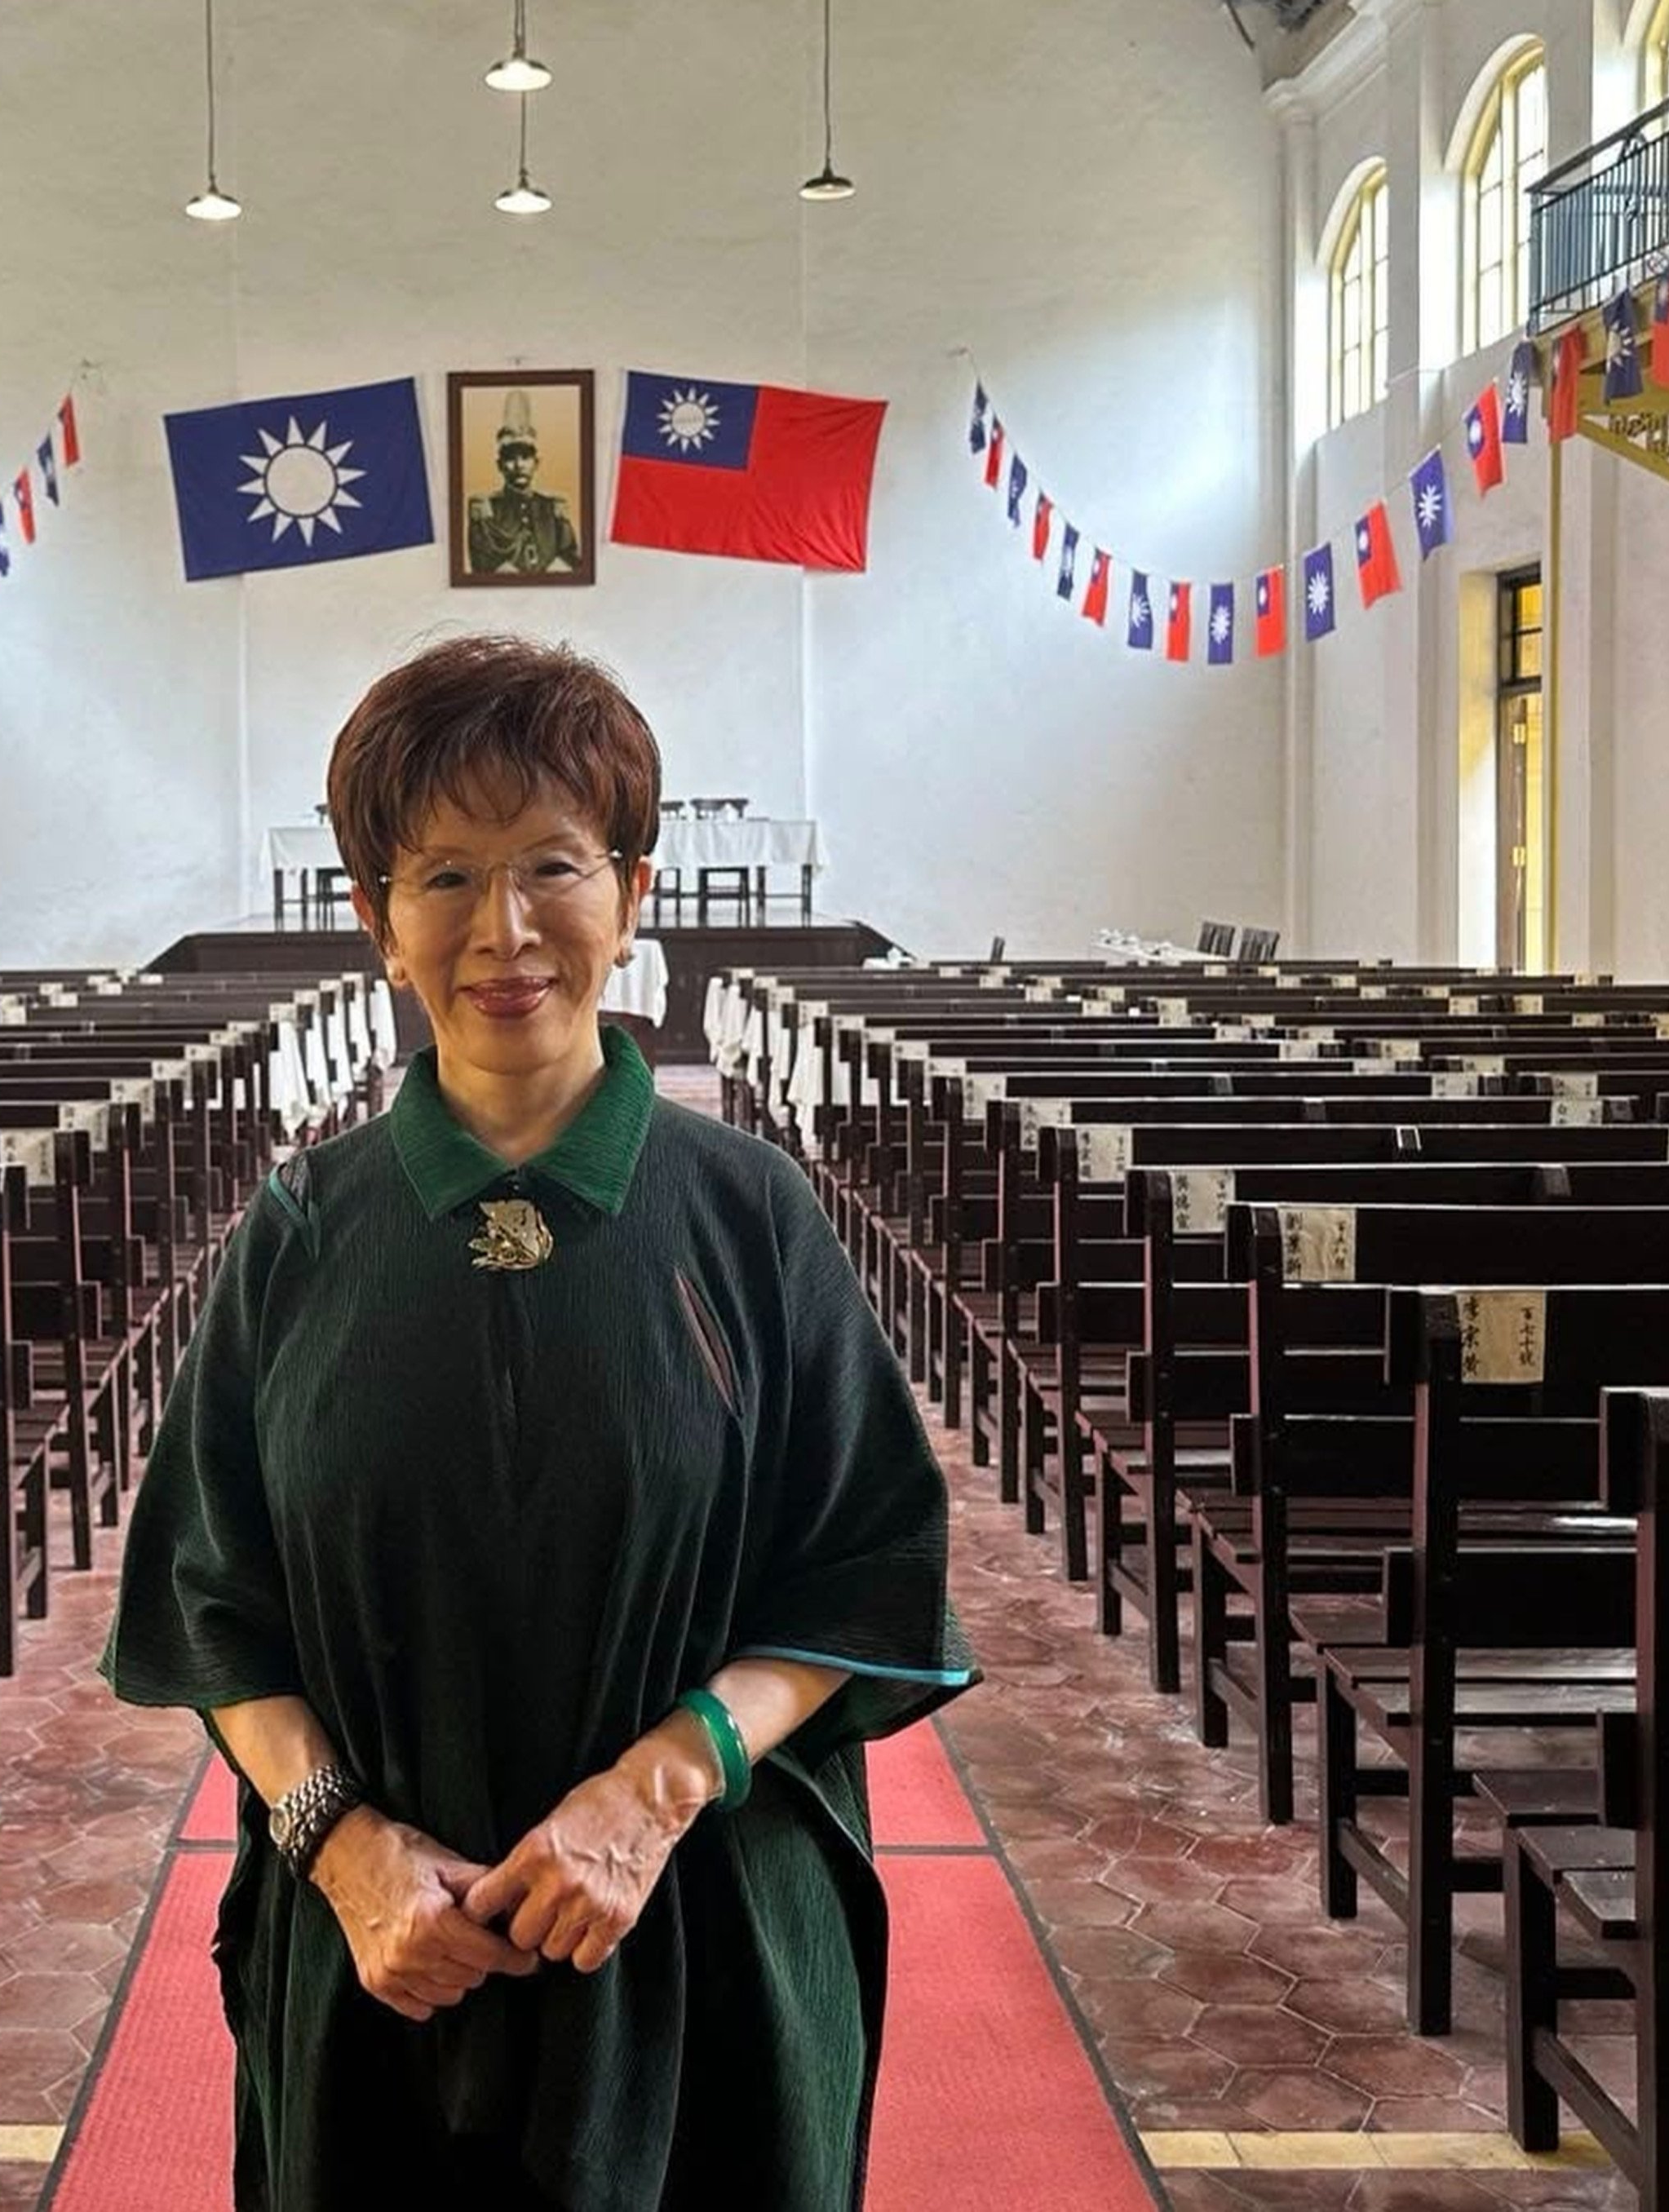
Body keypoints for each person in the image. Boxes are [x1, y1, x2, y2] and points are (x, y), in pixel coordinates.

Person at [104, 634, 973, 2210]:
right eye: (444, 876)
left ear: (632, 895)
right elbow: (209, 1603)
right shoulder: (303, 1228)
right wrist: (344, 1846)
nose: (504, 931)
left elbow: (862, 1569)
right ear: (378, 921)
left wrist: (651, 1795)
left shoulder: (751, 1215)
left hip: (700, 1938)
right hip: (378, 1963)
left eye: (552, 866)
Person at [465, 389, 584, 576]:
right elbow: (482, 565)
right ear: (500, 465)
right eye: (510, 458)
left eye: (526, 457)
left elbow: (574, 561)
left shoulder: (553, 508)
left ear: (536, 463)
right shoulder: (486, 509)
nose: (519, 465)